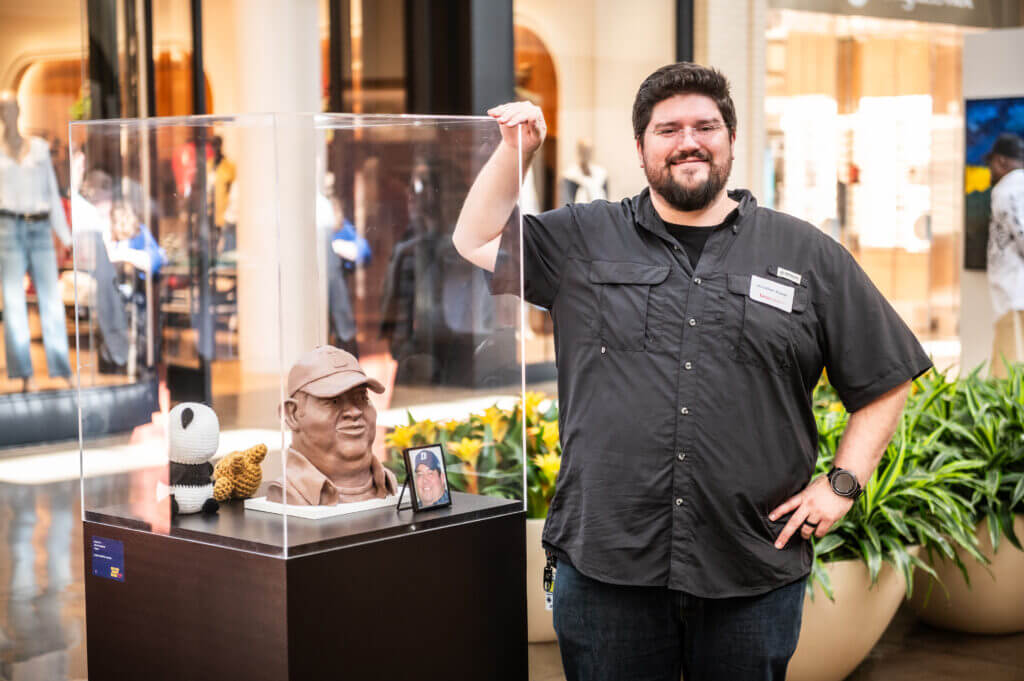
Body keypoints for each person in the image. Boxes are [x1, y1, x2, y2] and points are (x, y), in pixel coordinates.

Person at [452, 63, 931, 681]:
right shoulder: (583, 237)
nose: (688, 141)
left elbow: (887, 375)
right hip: (606, 568)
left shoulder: (805, 254)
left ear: (731, 139)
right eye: (667, 128)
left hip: (750, 567)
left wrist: (841, 485)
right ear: (641, 147)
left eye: (706, 126)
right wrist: (517, 153)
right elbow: (474, 238)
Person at [0, 92, 72, 392]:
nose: (9, 114)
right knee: (13, 302)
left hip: (40, 227)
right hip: (8, 227)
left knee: (50, 298)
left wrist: (66, 237)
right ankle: (23, 373)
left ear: (19, 110)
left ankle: (61, 370)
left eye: (12, 108)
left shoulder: (39, 150)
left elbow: (52, 194)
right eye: (3, 109)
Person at [267, 345, 398, 506]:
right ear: (292, 414)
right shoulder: (289, 495)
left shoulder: (390, 485)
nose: (354, 412)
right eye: (333, 401)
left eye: (361, 398)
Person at [985, 132, 1024, 378]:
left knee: (1007, 369)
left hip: (1015, 293)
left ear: (1000, 161)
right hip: (1014, 293)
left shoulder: (1008, 189)